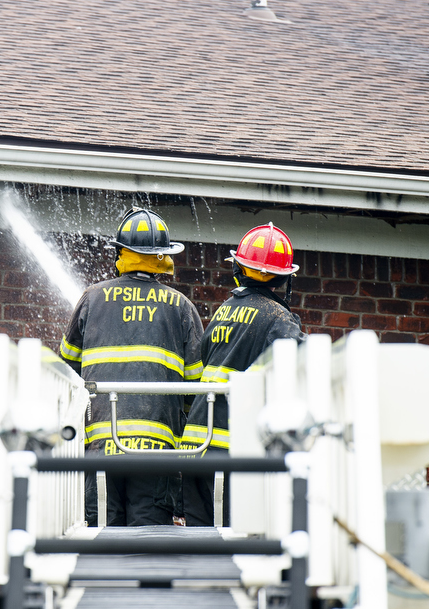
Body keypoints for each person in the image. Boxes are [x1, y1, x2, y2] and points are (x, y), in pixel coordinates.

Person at [59, 207, 203, 526]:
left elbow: (65, 372)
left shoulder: (91, 298)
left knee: (102, 537)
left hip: (100, 447)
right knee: (147, 545)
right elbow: (196, 389)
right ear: (162, 257)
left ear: (121, 253)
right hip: (157, 454)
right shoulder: (182, 308)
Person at [179, 223, 305, 527]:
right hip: (232, 452)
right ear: (285, 278)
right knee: (235, 547)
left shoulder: (224, 311)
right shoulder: (278, 318)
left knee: (199, 545)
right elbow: (302, 369)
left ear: (238, 268)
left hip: (194, 448)